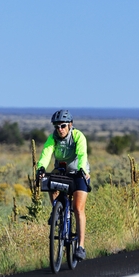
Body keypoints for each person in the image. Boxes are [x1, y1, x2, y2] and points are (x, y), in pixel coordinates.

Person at [37, 109, 90, 261]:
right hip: (61, 171)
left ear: (70, 125)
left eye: (63, 126)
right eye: (57, 126)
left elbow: (82, 154)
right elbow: (46, 154)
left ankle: (80, 246)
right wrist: (41, 167)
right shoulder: (52, 138)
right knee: (48, 181)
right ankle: (57, 211)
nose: (60, 129)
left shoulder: (78, 136)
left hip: (79, 172)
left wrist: (81, 170)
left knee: (78, 208)